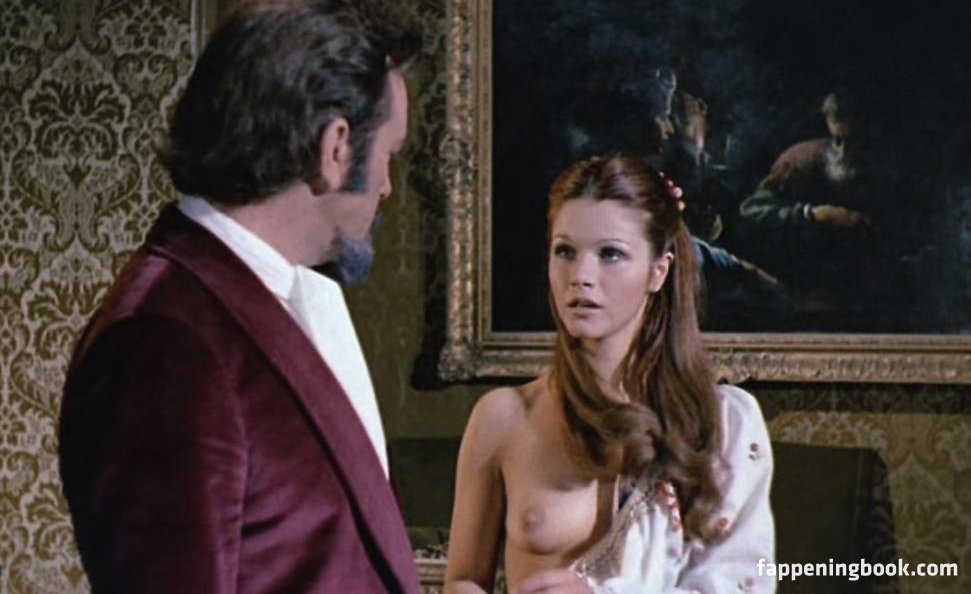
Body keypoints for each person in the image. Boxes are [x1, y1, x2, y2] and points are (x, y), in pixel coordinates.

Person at [58, 1, 421, 592]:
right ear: (335, 148)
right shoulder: (165, 344)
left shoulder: (263, 300)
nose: (387, 186)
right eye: (389, 156)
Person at [444, 156, 775, 594]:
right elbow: (464, 579)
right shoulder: (503, 417)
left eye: (610, 254)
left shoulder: (724, 424)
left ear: (658, 271)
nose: (581, 277)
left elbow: (741, 585)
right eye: (565, 251)